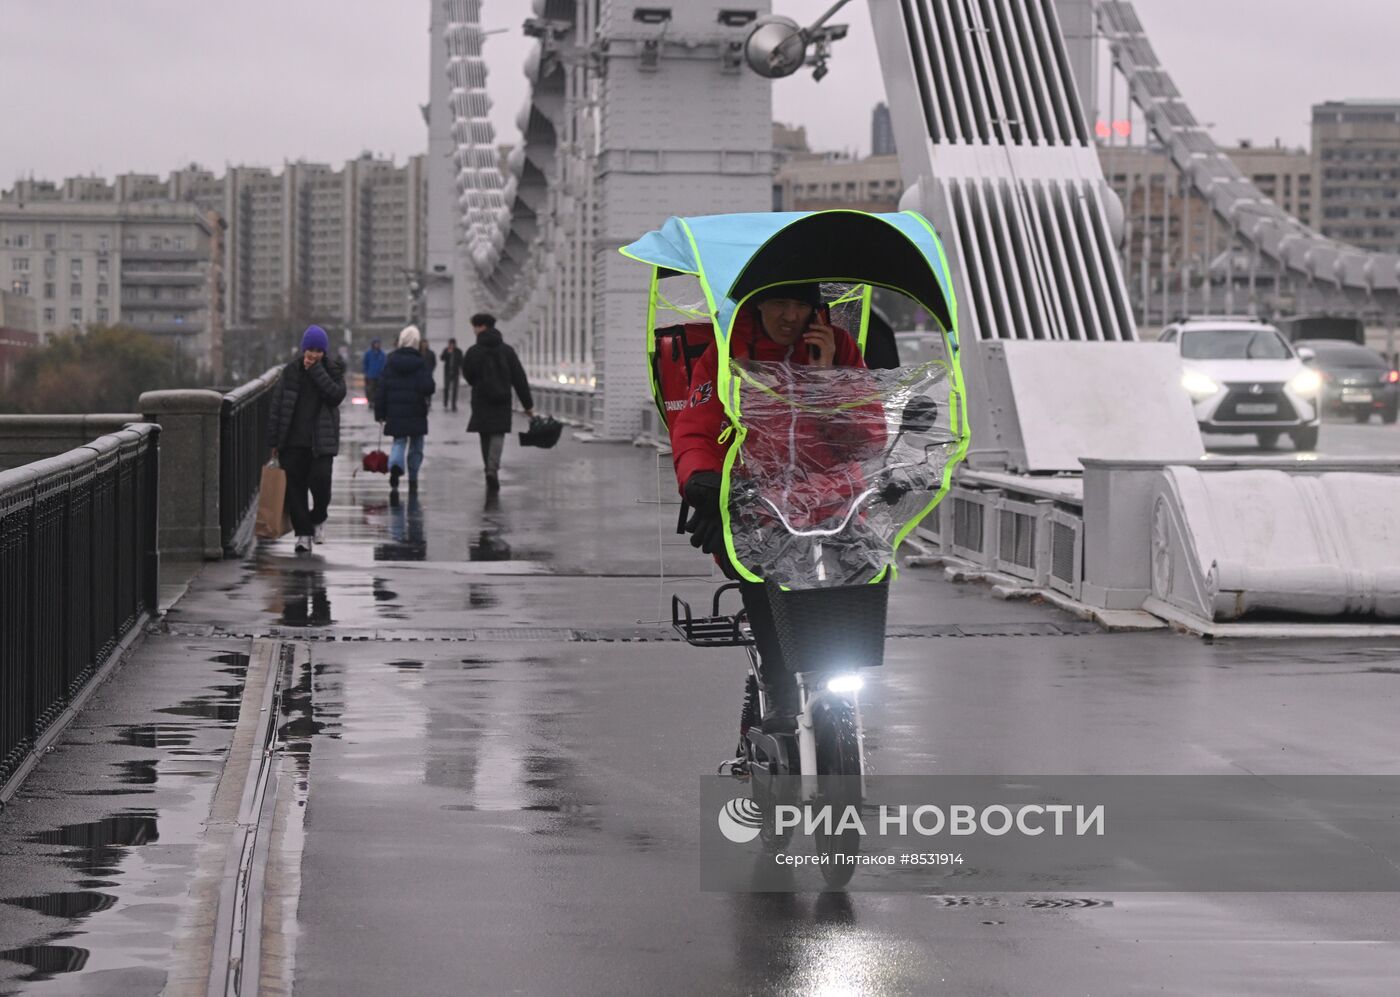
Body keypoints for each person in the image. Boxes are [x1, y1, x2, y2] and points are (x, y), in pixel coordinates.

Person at [670, 283, 872, 737]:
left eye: (801, 305)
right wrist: (702, 477)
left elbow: (868, 436)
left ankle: (833, 674)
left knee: (861, 570)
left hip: (831, 504)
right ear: (757, 303)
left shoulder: (838, 349)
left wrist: (825, 381)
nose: (789, 316)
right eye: (779, 303)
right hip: (755, 505)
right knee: (762, 579)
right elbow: (695, 429)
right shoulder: (725, 352)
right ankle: (779, 684)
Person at [268, 324, 347, 552]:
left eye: (318, 350)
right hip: (293, 441)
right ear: (303, 349)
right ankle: (303, 534)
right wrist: (274, 441)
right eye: (310, 349)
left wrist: (316, 371)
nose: (313, 354)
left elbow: (335, 395)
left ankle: (319, 518)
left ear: (325, 352)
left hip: (321, 443)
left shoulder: (333, 370)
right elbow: (277, 406)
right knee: (295, 490)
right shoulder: (290, 372)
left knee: (321, 483)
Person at [462, 312, 534, 494]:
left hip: (481, 398)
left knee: (484, 435)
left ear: (481, 326)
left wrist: (478, 383)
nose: (473, 330)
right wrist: (528, 405)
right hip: (502, 399)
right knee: (498, 434)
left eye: (474, 326)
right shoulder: (507, 351)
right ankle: (493, 469)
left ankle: (488, 468)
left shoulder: (473, 351)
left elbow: (468, 375)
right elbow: (519, 378)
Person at [374, 324, 435, 493]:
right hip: (416, 410)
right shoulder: (420, 363)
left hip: (396, 411)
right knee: (416, 444)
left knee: (399, 441)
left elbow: (382, 388)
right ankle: (413, 478)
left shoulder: (391, 361)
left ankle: (395, 466)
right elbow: (429, 387)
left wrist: (379, 413)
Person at [439, 337, 464, 412]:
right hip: (447, 372)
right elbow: (442, 358)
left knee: (455, 389)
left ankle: (453, 405)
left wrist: (462, 370)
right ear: (449, 344)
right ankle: (446, 404)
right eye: (450, 344)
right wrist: (447, 353)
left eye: (453, 344)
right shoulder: (446, 350)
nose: (452, 345)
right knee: (446, 388)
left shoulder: (458, 351)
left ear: (455, 344)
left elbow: (461, 361)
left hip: (455, 372)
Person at [362, 338, 387, 406]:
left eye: (378, 343)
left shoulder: (382, 354)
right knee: (370, 389)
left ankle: (377, 401)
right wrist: (366, 372)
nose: (377, 345)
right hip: (371, 375)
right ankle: (371, 401)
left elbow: (384, 364)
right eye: (376, 343)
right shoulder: (368, 353)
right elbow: (365, 363)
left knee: (378, 390)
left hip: (380, 376)